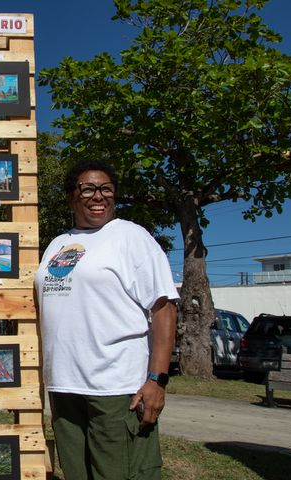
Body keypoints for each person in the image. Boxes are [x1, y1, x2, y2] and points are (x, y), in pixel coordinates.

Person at [34, 159, 178, 480]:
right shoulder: (58, 244)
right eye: (88, 189)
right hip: (64, 386)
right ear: (72, 196)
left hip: (115, 388)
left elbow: (164, 309)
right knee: (77, 474)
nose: (99, 196)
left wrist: (157, 380)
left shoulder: (131, 237)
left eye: (106, 189)